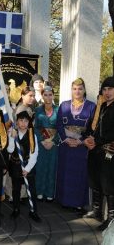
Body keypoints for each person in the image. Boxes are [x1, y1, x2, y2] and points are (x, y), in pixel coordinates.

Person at [56, 78, 96, 211]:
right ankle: (64, 201)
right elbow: (59, 124)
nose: (77, 91)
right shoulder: (64, 105)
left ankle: (78, 203)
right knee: (65, 174)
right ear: (71, 90)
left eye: (80, 89)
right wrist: (65, 139)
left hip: (81, 147)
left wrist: (81, 140)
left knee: (79, 175)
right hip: (66, 146)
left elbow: (93, 127)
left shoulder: (91, 106)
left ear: (84, 90)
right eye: (74, 89)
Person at [84, 76, 114, 230]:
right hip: (95, 151)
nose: (107, 92)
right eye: (105, 89)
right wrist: (87, 138)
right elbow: (91, 125)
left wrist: (97, 141)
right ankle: (96, 211)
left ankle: (111, 218)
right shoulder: (100, 106)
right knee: (95, 181)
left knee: (108, 185)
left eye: (110, 89)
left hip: (109, 153)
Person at [7, 108, 41, 222]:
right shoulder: (13, 133)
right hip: (16, 165)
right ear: (17, 122)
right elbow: (10, 150)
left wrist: (27, 169)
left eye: (26, 121)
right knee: (16, 189)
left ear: (29, 122)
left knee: (31, 189)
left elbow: (34, 153)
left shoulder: (32, 135)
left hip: (28, 166)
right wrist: (11, 138)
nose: (23, 123)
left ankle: (33, 211)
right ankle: (16, 209)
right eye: (21, 121)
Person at [34, 86, 59, 202]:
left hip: (53, 144)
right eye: (45, 95)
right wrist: (41, 140)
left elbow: (61, 128)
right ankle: (39, 191)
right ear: (42, 96)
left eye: (50, 95)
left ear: (53, 95)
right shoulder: (37, 110)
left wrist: (53, 141)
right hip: (42, 143)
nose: (48, 97)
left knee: (52, 167)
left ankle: (49, 192)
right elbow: (35, 127)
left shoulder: (59, 110)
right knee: (41, 167)